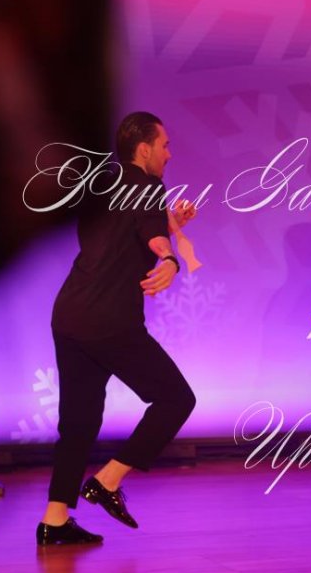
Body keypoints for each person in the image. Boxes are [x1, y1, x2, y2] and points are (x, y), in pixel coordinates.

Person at [36, 111, 197, 545]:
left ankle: (54, 521)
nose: (169, 154)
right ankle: (107, 481)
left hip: (70, 314)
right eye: (164, 145)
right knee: (176, 399)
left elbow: (132, 228)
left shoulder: (99, 185)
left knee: (79, 420)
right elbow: (150, 234)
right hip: (108, 320)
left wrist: (169, 226)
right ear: (144, 149)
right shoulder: (147, 187)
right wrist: (169, 258)